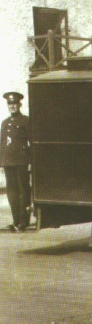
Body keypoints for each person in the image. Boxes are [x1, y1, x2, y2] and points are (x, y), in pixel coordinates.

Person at [0, 92, 31, 232]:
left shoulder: (25, 121)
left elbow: (31, 141)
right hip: (8, 161)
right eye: (10, 104)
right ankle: (16, 221)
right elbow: (2, 143)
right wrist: (1, 161)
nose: (12, 106)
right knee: (11, 192)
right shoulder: (5, 123)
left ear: (20, 105)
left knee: (23, 190)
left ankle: (24, 221)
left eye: (15, 104)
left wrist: (30, 161)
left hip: (21, 160)